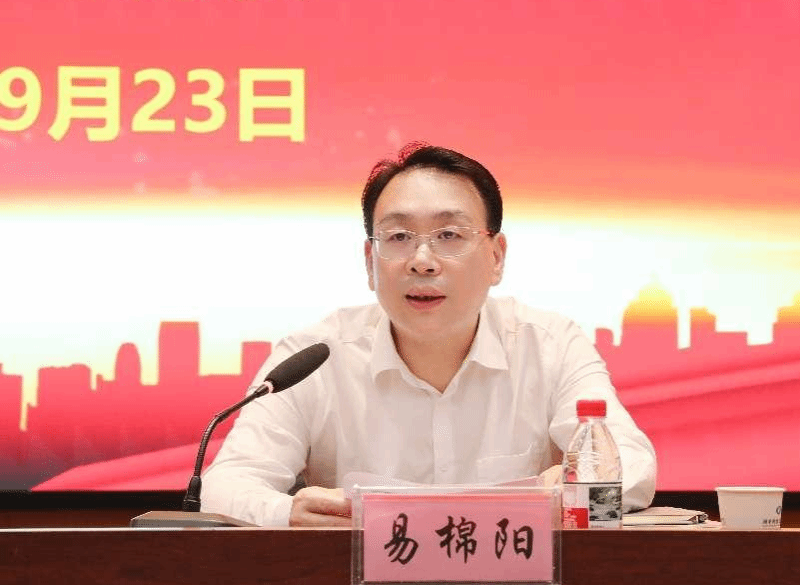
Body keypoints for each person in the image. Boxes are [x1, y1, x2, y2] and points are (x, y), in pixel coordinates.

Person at [201, 143, 657, 526]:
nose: (422, 261)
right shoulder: (315, 357)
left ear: (496, 257)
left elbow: (632, 465)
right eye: (398, 237)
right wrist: (288, 513)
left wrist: (584, 482)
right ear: (370, 262)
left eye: (449, 235)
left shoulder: (550, 345)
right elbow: (226, 486)